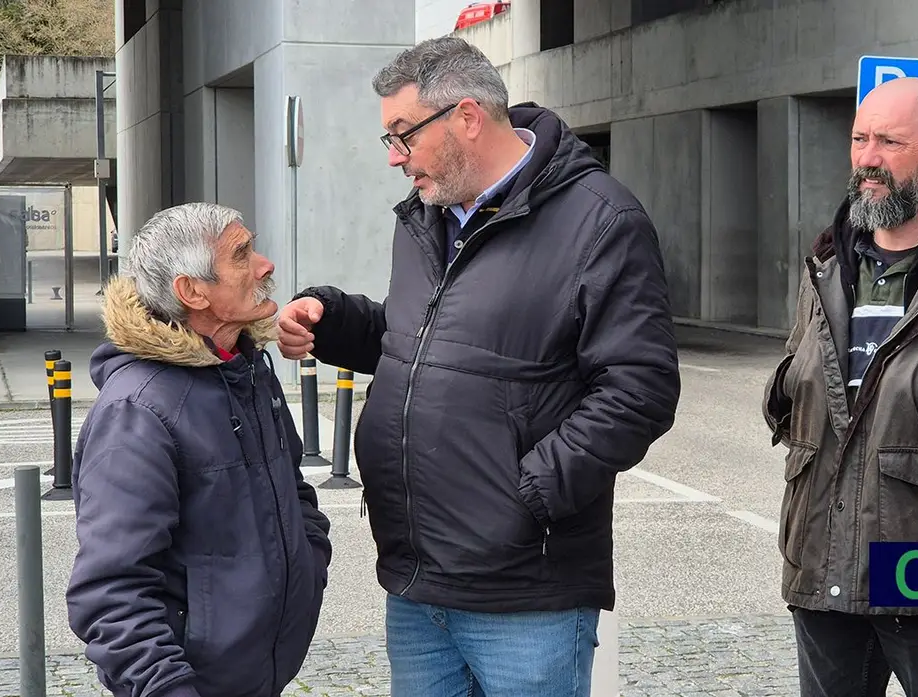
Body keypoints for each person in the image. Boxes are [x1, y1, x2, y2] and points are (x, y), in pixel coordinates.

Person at [275, 36, 680, 697]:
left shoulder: (601, 219)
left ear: (466, 117)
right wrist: (332, 319)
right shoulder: (425, 216)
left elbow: (640, 390)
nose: (393, 158)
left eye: (402, 135)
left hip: (527, 593)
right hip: (415, 581)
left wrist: (526, 495)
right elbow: (425, 337)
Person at [760, 77, 918, 697]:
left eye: (890, 142)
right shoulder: (826, 262)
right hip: (820, 564)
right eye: (859, 139)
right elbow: (797, 392)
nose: (868, 158)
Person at [66, 202, 333, 697]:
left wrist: (308, 559)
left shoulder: (246, 369)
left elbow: (293, 490)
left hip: (260, 674)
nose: (265, 265)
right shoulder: (139, 409)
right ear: (192, 291)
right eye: (242, 254)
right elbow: (111, 592)